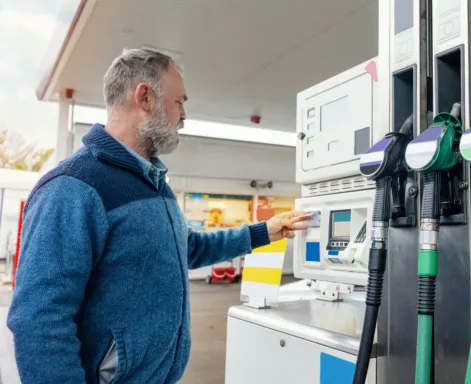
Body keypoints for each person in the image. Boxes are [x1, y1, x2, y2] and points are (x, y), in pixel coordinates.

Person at [7, 48, 309, 383]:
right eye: (179, 101)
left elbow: (188, 248)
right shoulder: (73, 188)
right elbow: (39, 320)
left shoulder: (155, 185)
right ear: (146, 97)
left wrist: (264, 231)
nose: (183, 115)